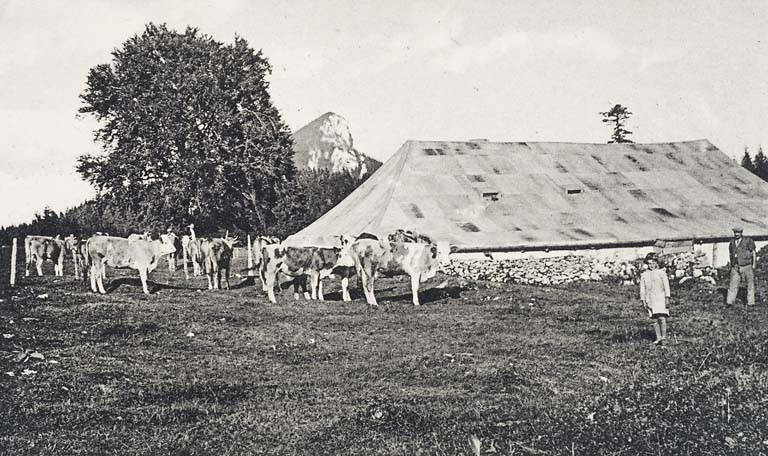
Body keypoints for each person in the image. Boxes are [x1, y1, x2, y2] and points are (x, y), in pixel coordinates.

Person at [639, 252, 671, 346]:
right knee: (654, 319)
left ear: (657, 263)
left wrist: (667, 297)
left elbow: (666, 286)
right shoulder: (644, 275)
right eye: (649, 263)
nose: (652, 265)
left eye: (654, 263)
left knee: (662, 317)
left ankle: (664, 338)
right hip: (650, 299)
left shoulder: (661, 273)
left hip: (660, 297)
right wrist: (643, 300)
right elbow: (642, 288)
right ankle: (658, 338)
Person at [726, 226, 757, 306]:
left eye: (738, 232)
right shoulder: (732, 242)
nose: (736, 234)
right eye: (735, 232)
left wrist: (754, 264)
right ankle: (730, 302)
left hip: (746, 265)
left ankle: (751, 303)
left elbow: (753, 252)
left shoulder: (748, 241)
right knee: (733, 285)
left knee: (750, 284)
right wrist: (732, 264)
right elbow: (730, 254)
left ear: (741, 233)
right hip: (735, 267)